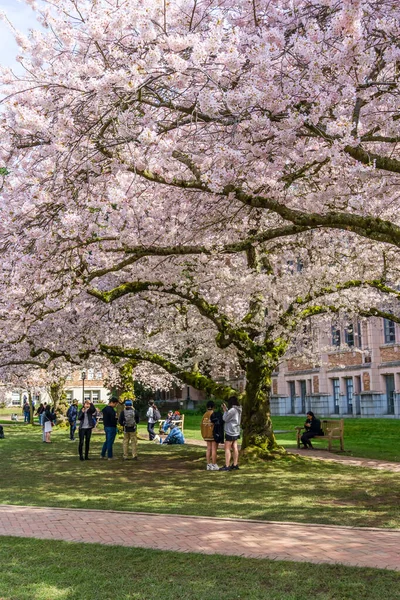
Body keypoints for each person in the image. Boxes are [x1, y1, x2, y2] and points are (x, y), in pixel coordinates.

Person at [219, 396, 242, 471]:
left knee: (227, 447)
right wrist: (226, 410)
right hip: (236, 430)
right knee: (235, 446)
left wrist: (225, 411)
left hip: (230, 430)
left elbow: (225, 418)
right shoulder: (239, 409)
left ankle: (227, 465)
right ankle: (235, 464)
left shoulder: (232, 410)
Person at [201, 400, 221, 471]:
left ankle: (208, 464)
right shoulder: (214, 414)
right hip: (213, 434)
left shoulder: (204, 415)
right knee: (214, 449)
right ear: (214, 407)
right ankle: (214, 464)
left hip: (206, 434)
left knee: (208, 449)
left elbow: (202, 425)